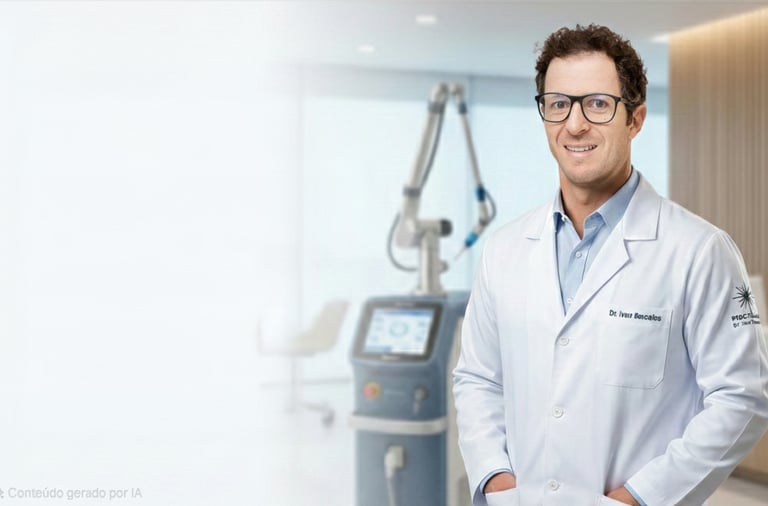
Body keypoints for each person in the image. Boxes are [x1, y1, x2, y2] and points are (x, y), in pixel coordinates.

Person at [452, 23, 768, 506]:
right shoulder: (505, 249)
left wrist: (637, 500)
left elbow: (742, 399)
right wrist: (497, 480)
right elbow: (477, 378)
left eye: (597, 104)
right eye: (558, 104)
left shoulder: (699, 250)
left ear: (635, 119)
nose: (574, 124)